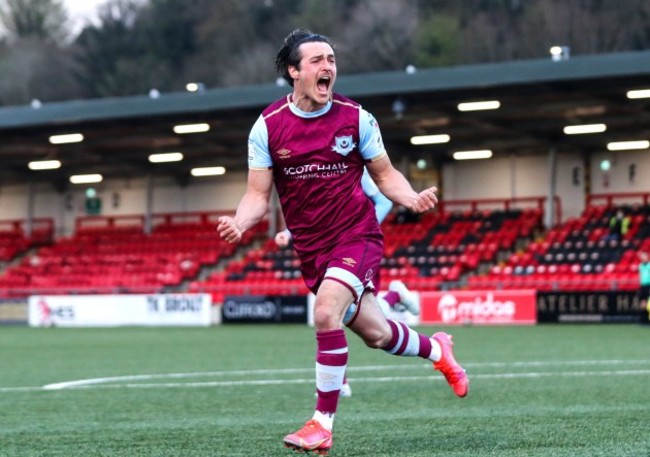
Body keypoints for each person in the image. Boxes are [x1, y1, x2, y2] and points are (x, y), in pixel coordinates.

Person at [218, 29, 468, 455]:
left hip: (357, 234)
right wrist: (240, 224)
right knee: (377, 334)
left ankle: (321, 424)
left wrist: (410, 197)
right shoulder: (268, 127)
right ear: (294, 71)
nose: (327, 67)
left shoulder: (357, 118)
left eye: (331, 59)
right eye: (316, 60)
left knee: (325, 310)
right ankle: (437, 349)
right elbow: (257, 196)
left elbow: (385, 174)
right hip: (312, 248)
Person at [274, 168, 422, 398]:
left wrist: (362, 228)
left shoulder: (350, 162)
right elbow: (315, 212)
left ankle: (338, 383)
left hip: (355, 248)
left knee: (345, 315)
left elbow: (384, 201)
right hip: (328, 251)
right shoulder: (313, 165)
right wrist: (288, 232)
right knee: (341, 315)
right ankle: (396, 297)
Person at [638, 251, 650, 325]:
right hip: (643, 286)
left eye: (645, 256)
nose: (643, 258)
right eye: (642, 257)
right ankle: (643, 319)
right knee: (643, 302)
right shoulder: (640, 266)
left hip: (649, 285)